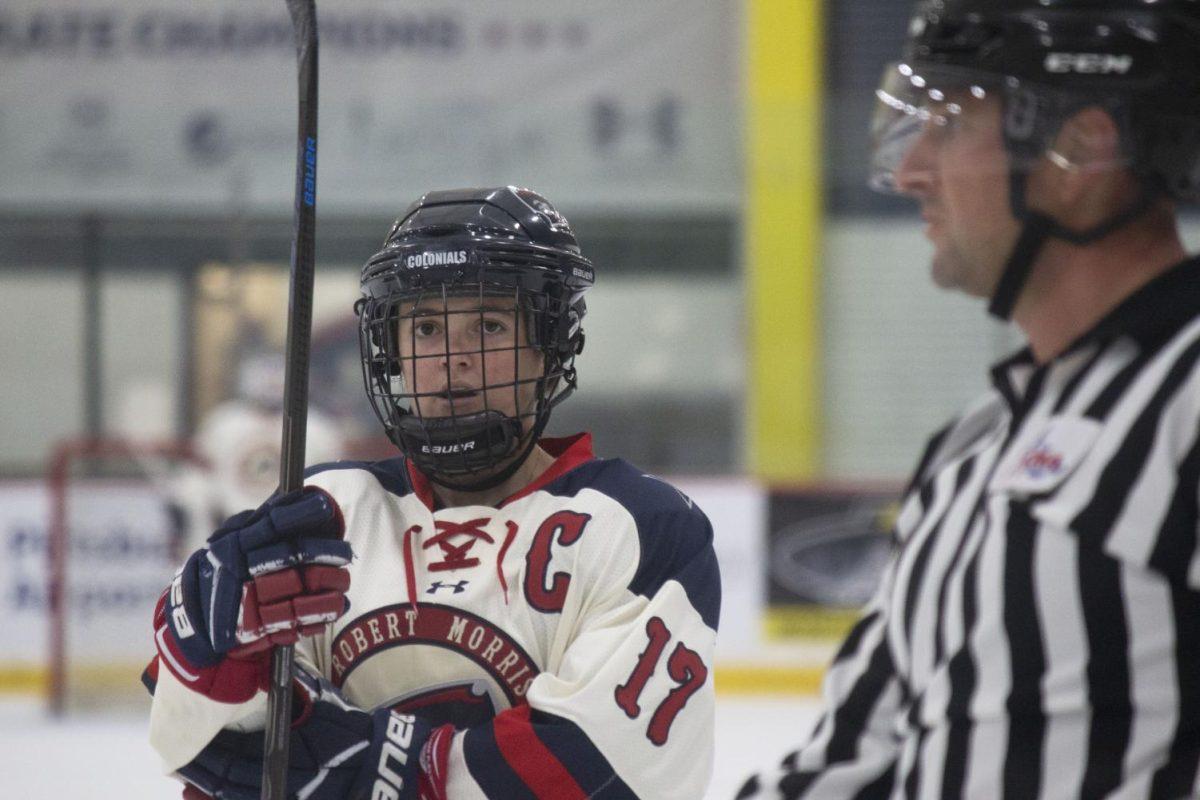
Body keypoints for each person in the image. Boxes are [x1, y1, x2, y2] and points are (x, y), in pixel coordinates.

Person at [739, 0, 1200, 797]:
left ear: (1081, 148)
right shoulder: (971, 447)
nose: (912, 169)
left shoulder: (1185, 403)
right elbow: (852, 762)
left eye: (948, 124)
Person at [143, 186, 721, 800]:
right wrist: (212, 663)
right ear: (389, 351)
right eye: (424, 327)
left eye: (490, 325)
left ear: (552, 346)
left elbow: (600, 768)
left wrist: (382, 773)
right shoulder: (325, 510)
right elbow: (207, 756)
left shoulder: (641, 527)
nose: (452, 357)